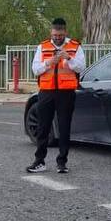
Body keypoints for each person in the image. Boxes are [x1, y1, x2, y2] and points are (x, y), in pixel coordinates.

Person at [27, 17, 86, 174]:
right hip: (46, 92)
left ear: (65, 32)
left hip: (66, 93)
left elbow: (81, 68)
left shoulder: (75, 46)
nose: (57, 38)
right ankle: (39, 161)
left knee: (64, 127)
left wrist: (69, 58)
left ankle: (62, 162)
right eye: (55, 35)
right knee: (43, 127)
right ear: (51, 32)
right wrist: (49, 62)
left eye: (60, 35)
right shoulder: (43, 47)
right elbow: (35, 69)